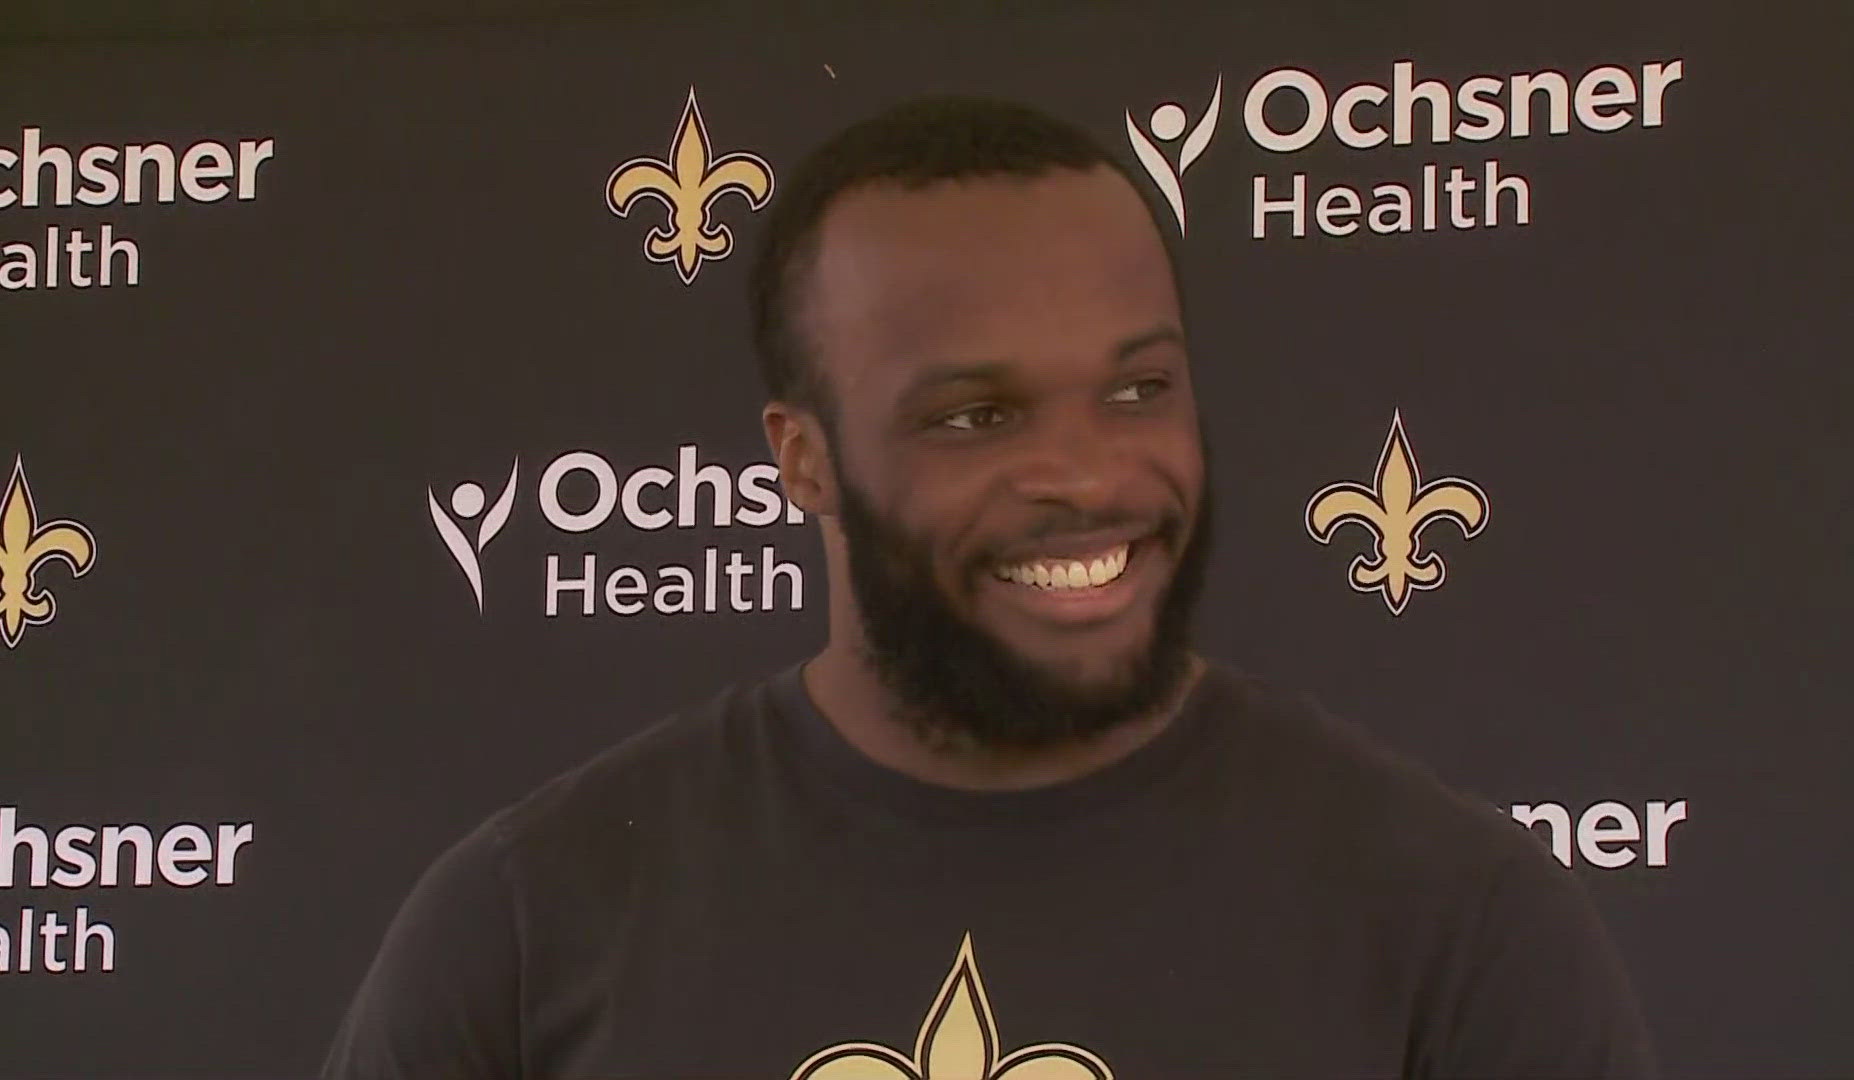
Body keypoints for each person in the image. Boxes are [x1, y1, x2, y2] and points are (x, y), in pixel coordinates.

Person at [322, 97, 1658, 1079]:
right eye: (975, 417)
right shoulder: (525, 925)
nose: (1084, 476)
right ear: (803, 457)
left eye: (1139, 389)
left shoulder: (1461, 925)